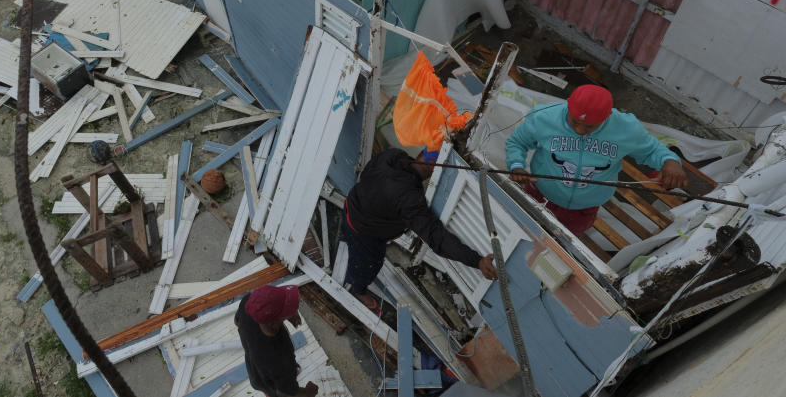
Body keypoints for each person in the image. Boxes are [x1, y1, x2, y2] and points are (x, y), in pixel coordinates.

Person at [505, 84, 687, 236]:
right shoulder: (543, 117)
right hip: (539, 194)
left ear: (607, 116)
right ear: (568, 106)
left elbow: (652, 150)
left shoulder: (626, 128)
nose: (579, 130)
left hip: (584, 208)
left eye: (589, 126)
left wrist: (670, 161)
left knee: (560, 243)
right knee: (520, 231)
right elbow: (517, 142)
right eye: (574, 121)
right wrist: (516, 165)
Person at [342, 148, 497, 311]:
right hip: (364, 230)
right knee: (368, 264)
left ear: (421, 153)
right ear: (434, 172)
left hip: (352, 202)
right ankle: (358, 290)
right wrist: (477, 261)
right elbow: (436, 237)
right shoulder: (409, 199)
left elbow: (367, 173)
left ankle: (348, 236)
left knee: (352, 236)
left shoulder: (392, 155)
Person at [235, 284, 318, 397]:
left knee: (271, 382)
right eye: (285, 310)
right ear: (273, 323)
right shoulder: (281, 360)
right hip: (270, 384)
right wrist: (309, 392)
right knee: (275, 392)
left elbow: (237, 321)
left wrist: (290, 313)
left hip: (255, 372)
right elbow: (285, 394)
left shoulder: (248, 303)